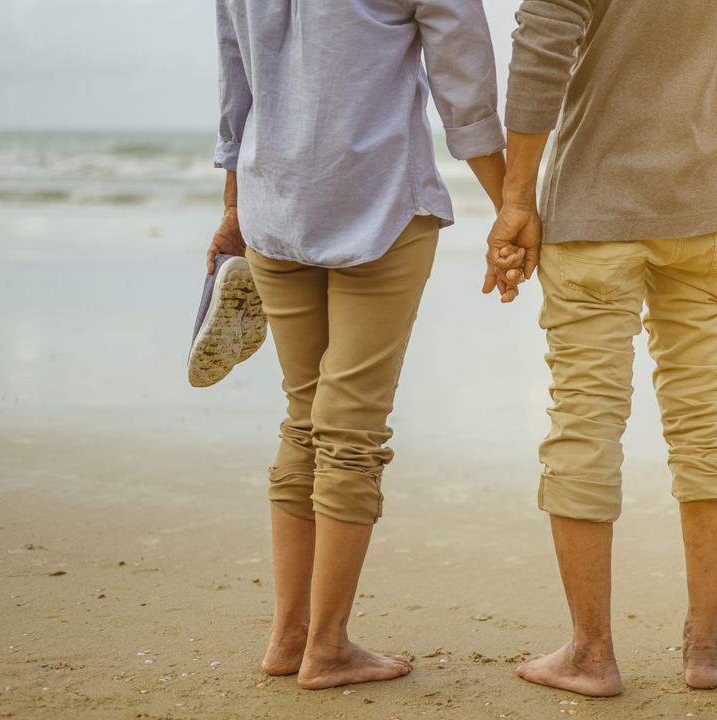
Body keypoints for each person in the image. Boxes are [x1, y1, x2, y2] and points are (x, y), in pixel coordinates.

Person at [486, 0, 717, 697]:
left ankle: (590, 655)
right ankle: (707, 649)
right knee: (708, 422)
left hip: (593, 208)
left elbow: (542, 41)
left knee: (584, 420)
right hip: (716, 211)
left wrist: (515, 199)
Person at [208, 0, 509, 690]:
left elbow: (236, 78)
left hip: (272, 203)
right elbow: (464, 87)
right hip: (376, 201)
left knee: (306, 417)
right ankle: (328, 648)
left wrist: (232, 206)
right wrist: (512, 209)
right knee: (350, 433)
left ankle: (289, 639)